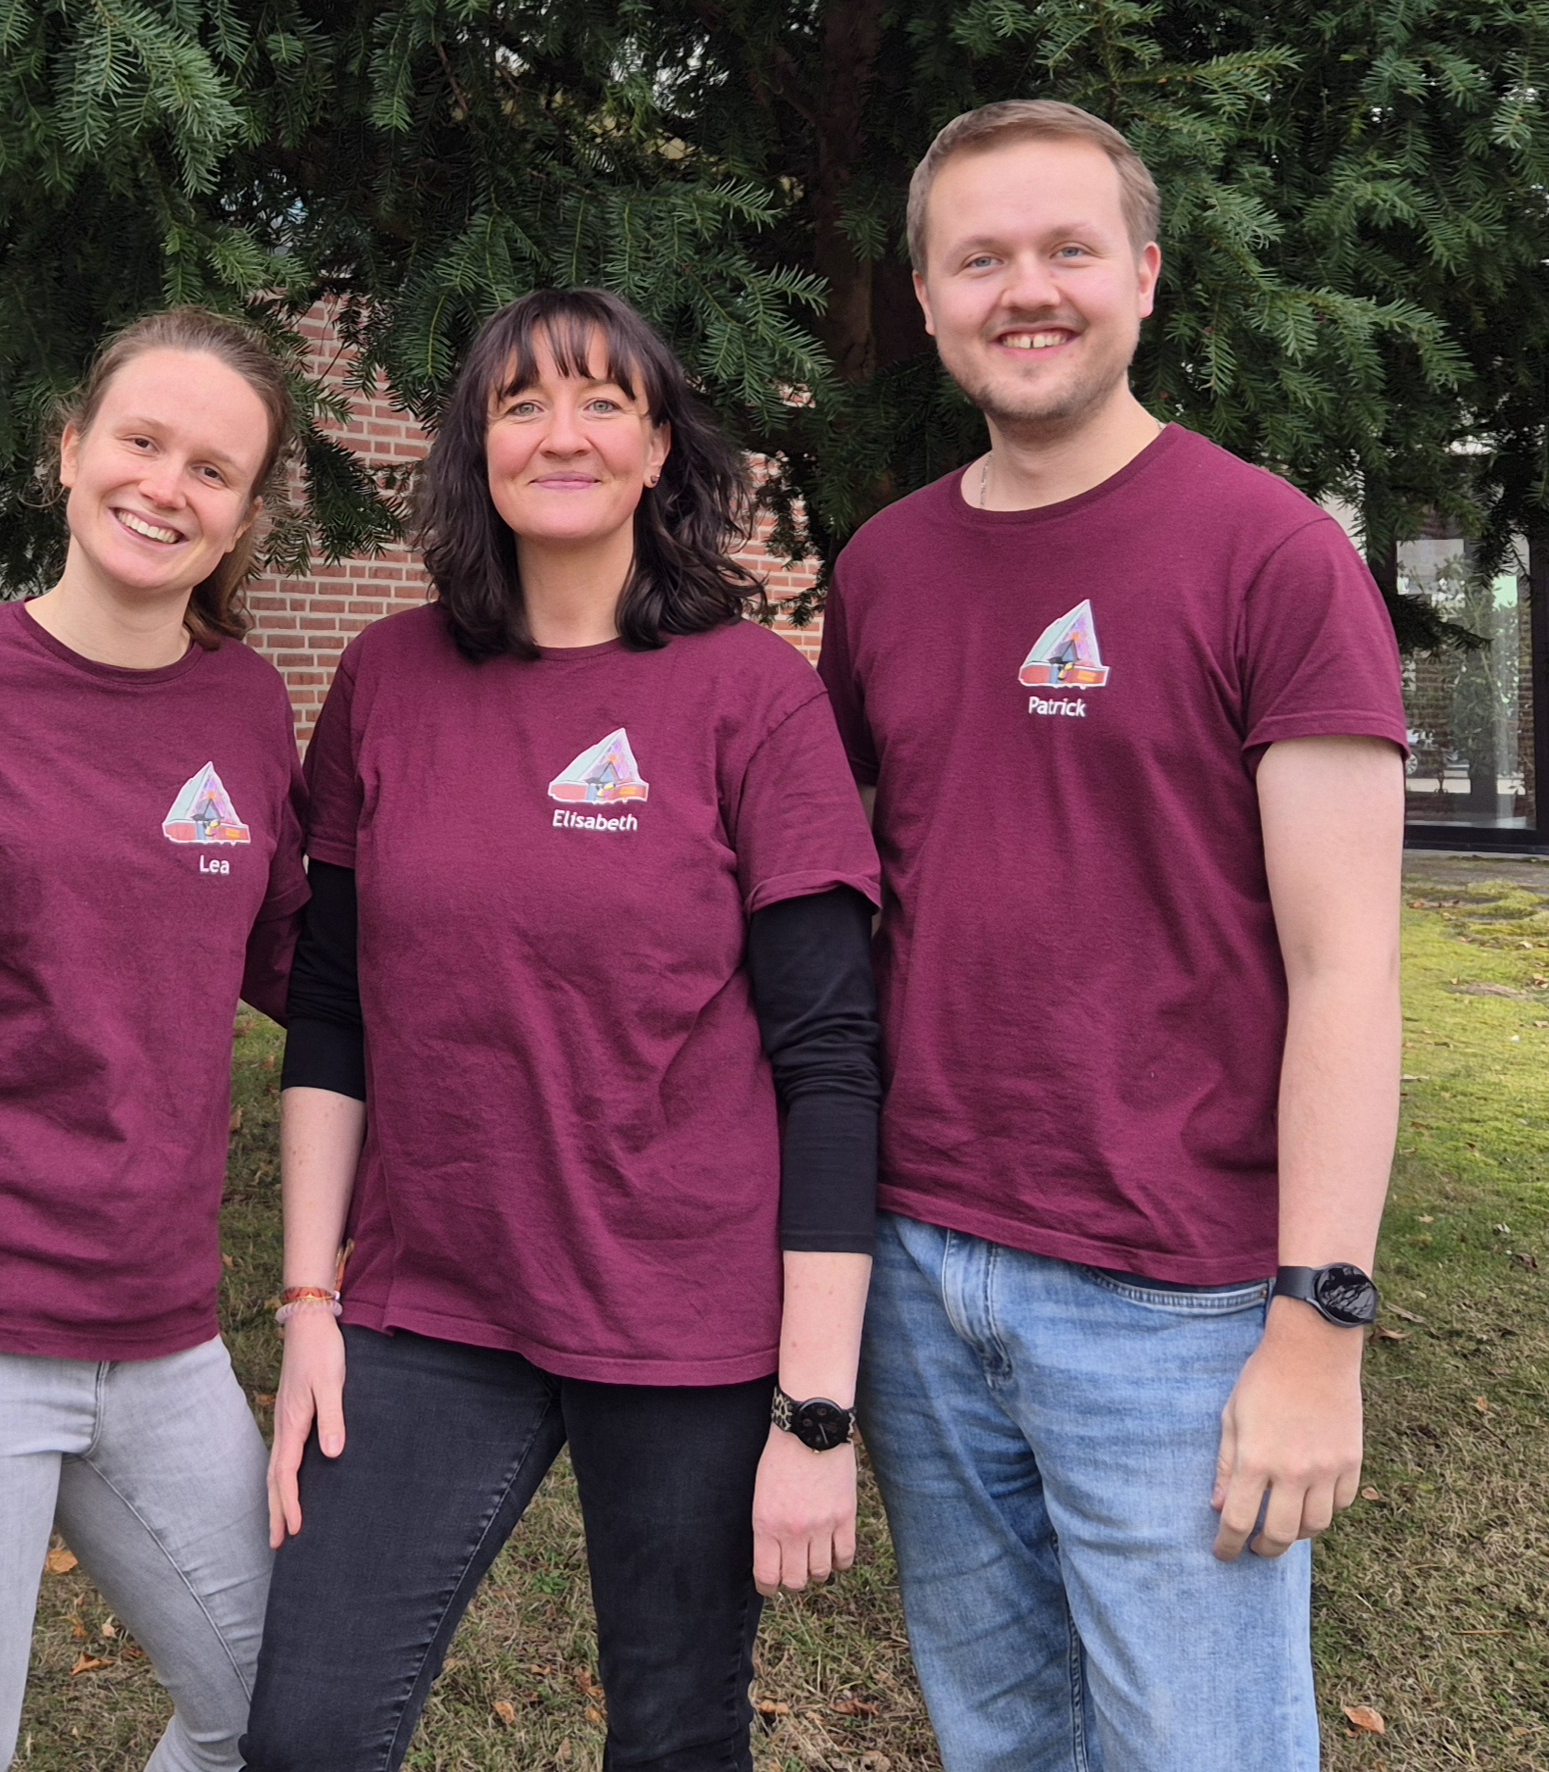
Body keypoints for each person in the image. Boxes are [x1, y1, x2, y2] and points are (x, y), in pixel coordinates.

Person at [819, 100, 1407, 1771]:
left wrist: (1320, 1325)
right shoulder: (883, 572)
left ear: (1145, 276)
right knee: (1002, 1741)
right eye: (980, 258)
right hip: (922, 1268)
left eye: (1069, 249)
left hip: (1181, 1301)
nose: (1027, 289)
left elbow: (1350, 971)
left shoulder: (1273, 555)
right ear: (927, 300)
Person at [240, 288, 885, 1772]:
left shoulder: (751, 696)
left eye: (605, 402)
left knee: (675, 1736)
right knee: (307, 1733)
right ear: (478, 447)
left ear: (659, 451)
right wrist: (308, 1301)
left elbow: (832, 1064)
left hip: (685, 1318)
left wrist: (816, 1409)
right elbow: (330, 1010)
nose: (563, 433)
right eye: (522, 403)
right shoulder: (386, 680)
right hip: (429, 1298)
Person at [0, 308, 309, 1772]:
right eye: (141, 441)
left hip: (163, 1324)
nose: (167, 486)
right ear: (72, 448)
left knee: (282, 1715)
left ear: (245, 517)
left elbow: (292, 962)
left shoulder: (245, 704)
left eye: (213, 469)